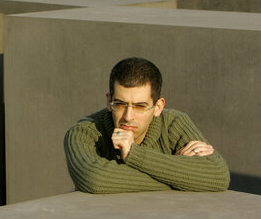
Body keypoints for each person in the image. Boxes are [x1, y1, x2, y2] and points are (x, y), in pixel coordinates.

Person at [64, 57, 229, 193]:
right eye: (120, 104)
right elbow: (96, 180)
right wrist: (179, 175)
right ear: (109, 101)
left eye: (140, 106)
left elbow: (218, 176)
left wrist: (133, 155)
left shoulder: (174, 124)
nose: (128, 117)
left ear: (158, 107)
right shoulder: (84, 132)